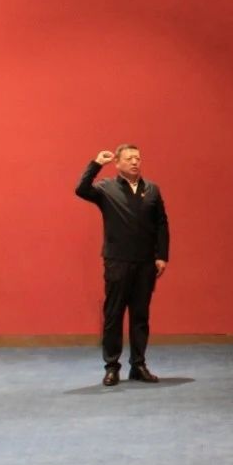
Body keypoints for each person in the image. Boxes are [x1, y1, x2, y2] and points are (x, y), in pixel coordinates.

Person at [75, 144, 170, 386]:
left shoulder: (152, 189)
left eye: (138, 158)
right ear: (117, 163)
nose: (135, 162)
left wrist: (161, 255)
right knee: (114, 315)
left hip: (145, 263)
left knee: (140, 316)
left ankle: (138, 365)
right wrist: (96, 163)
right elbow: (81, 189)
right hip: (117, 262)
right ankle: (111, 367)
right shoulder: (106, 188)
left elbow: (161, 224)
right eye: (129, 158)